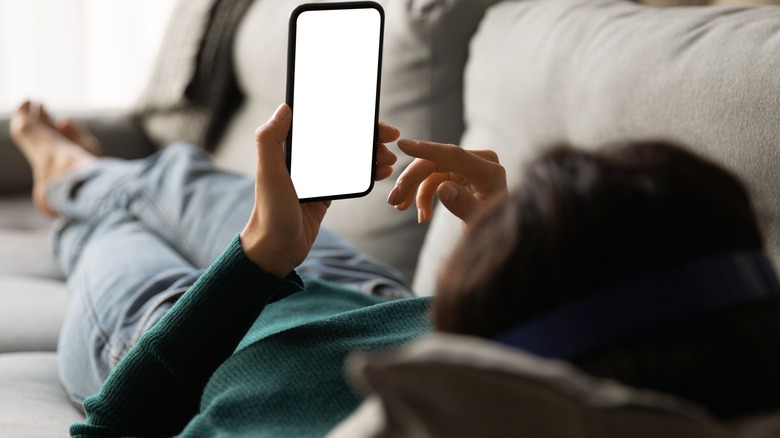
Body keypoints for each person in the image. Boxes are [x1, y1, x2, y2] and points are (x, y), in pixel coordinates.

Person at [9, 99, 780, 437]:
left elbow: (108, 432)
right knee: (183, 172)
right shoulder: (695, 353)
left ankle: (60, 168)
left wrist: (260, 261)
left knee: (112, 226)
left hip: (195, 331)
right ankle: (83, 171)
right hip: (366, 294)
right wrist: (511, 250)